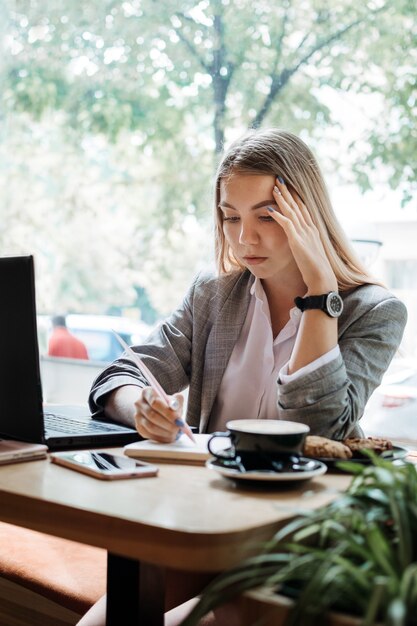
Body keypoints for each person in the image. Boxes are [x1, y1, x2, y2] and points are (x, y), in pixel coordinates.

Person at [79, 128, 407, 626]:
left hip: (296, 540)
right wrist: (142, 407)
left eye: (266, 217)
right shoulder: (214, 295)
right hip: (206, 523)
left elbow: (319, 428)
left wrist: (320, 293)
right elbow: (119, 375)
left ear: (307, 217)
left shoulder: (375, 312)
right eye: (231, 217)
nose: (243, 238)